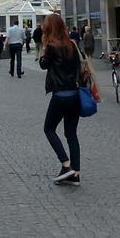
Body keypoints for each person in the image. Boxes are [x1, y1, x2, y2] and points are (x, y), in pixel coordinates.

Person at [39, 12, 89, 186]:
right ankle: (76, 173)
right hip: (75, 94)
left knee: (49, 129)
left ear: (49, 28)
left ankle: (66, 164)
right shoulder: (72, 44)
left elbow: (43, 64)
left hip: (60, 95)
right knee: (71, 134)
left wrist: (43, 47)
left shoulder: (51, 46)